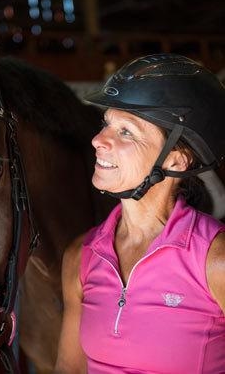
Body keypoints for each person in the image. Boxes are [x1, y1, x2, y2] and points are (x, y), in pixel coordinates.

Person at [55, 54, 225, 373]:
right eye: (106, 124)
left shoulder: (216, 260)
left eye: (126, 132)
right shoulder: (81, 256)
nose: (97, 140)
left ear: (176, 160)